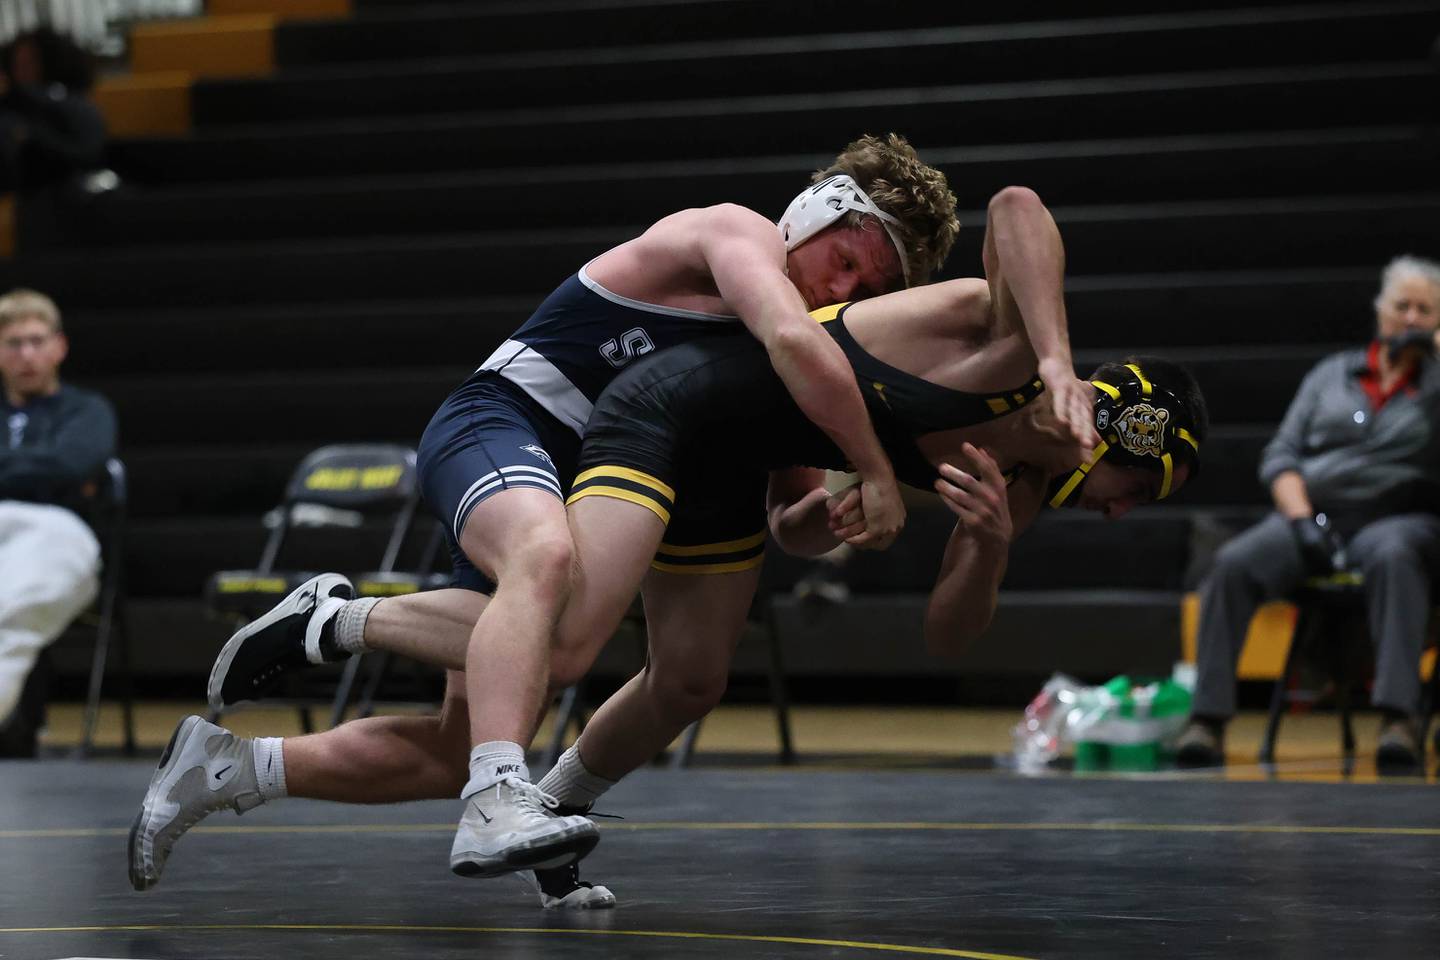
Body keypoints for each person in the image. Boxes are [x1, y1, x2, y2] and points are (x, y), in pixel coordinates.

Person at [131, 188, 1207, 908]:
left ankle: (466, 801)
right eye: (1137, 487)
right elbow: (1017, 208)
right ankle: (335, 622)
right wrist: (1050, 365)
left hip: (726, 465)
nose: (1118, 514)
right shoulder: (1003, 337)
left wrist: (980, 549)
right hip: (660, 418)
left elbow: (934, 624)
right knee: (558, 636)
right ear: (1127, 425)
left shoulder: (1008, 489)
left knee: (684, 678)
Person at [1176, 254, 1440, 769]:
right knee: (1233, 564)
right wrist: (1300, 521)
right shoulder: (1331, 375)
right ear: (1381, 311)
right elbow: (1281, 455)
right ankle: (1206, 721)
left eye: (1425, 310)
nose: (1410, 318)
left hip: (1395, 518)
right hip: (1313, 516)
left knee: (1396, 554)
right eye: (1402, 306)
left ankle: (1398, 721)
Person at [0, 287, 117, 756]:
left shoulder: (88, 410)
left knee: (10, 612)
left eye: (36, 341)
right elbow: (55, 468)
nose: (26, 354)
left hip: (56, 530)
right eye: (13, 343)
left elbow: (72, 465)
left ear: (59, 346)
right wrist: (39, 466)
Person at [0, 27, 106, 194]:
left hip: (62, 190)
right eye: (17, 64)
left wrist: (29, 136)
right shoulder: (10, 108)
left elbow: (85, 154)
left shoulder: (73, 105)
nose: (22, 70)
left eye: (31, 62)